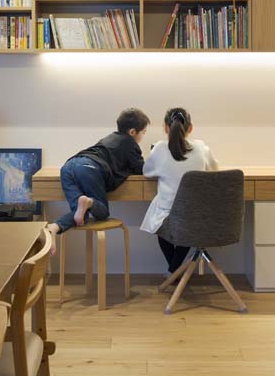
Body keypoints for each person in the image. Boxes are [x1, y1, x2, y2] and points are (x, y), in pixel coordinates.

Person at [46, 108, 149, 250]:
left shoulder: (108, 139)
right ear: (132, 132)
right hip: (89, 168)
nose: (142, 137)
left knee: (80, 215)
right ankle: (89, 201)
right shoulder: (130, 143)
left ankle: (53, 227)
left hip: (68, 167)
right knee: (102, 213)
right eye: (143, 133)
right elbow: (141, 169)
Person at [140, 107, 218, 275]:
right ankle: (174, 271)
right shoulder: (202, 148)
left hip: (168, 216)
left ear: (165, 128)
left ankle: (173, 272)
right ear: (190, 128)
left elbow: (146, 172)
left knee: (161, 224)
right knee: (187, 227)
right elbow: (214, 169)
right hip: (194, 215)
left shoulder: (159, 149)